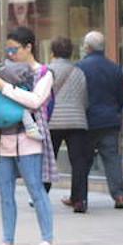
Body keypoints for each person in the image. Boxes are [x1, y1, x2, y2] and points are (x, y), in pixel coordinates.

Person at [0, 25, 56, 245]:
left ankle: (47, 240)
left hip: (28, 138)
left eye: (15, 50)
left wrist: (6, 86)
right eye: (8, 50)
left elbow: (35, 101)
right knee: (5, 192)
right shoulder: (5, 72)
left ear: (29, 47)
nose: (10, 54)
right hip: (3, 139)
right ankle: (6, 241)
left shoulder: (44, 73)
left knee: (36, 188)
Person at [74, 30, 123, 209]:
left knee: (83, 160)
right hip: (110, 120)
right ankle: (119, 196)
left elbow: (77, 95)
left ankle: (80, 200)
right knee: (112, 159)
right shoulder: (114, 68)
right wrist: (116, 112)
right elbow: (121, 96)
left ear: (87, 47)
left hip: (88, 121)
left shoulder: (80, 67)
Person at [46, 37, 91, 212]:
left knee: (49, 160)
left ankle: (41, 194)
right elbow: (85, 99)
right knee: (79, 161)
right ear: (71, 52)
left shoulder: (47, 71)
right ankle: (80, 200)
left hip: (53, 121)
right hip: (76, 121)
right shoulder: (78, 72)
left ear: (52, 52)